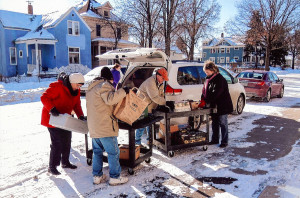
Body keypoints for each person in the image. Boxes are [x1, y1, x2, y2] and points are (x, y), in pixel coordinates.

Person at [86, 67, 130, 185]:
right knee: (113, 152)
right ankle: (115, 177)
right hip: (105, 126)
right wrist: (123, 91)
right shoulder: (104, 85)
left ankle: (97, 176)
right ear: (109, 78)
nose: (112, 84)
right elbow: (110, 99)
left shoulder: (91, 88)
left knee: (97, 152)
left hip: (94, 127)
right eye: (112, 81)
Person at [41, 73, 85, 175]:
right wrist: (52, 108)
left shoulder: (76, 91)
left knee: (67, 140)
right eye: (78, 85)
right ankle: (52, 166)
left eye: (80, 86)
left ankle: (65, 162)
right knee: (57, 143)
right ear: (72, 82)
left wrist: (81, 116)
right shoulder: (58, 86)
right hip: (52, 118)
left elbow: (77, 105)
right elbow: (44, 97)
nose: (79, 87)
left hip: (65, 119)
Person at [200, 61, 233, 148]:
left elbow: (216, 93)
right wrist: (202, 99)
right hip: (214, 105)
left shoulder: (220, 79)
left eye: (207, 71)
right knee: (214, 123)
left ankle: (224, 141)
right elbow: (204, 91)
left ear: (212, 70)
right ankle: (215, 139)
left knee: (223, 122)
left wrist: (207, 100)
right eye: (205, 72)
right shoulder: (208, 79)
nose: (206, 73)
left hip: (222, 105)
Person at [135, 68, 169, 145]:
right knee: (142, 125)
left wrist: (163, 103)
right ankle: (137, 144)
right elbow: (155, 97)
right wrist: (166, 102)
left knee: (149, 124)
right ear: (158, 75)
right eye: (162, 78)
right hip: (142, 105)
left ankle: (149, 141)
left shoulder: (160, 82)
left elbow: (161, 95)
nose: (163, 80)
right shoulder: (150, 82)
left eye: (164, 79)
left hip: (149, 105)